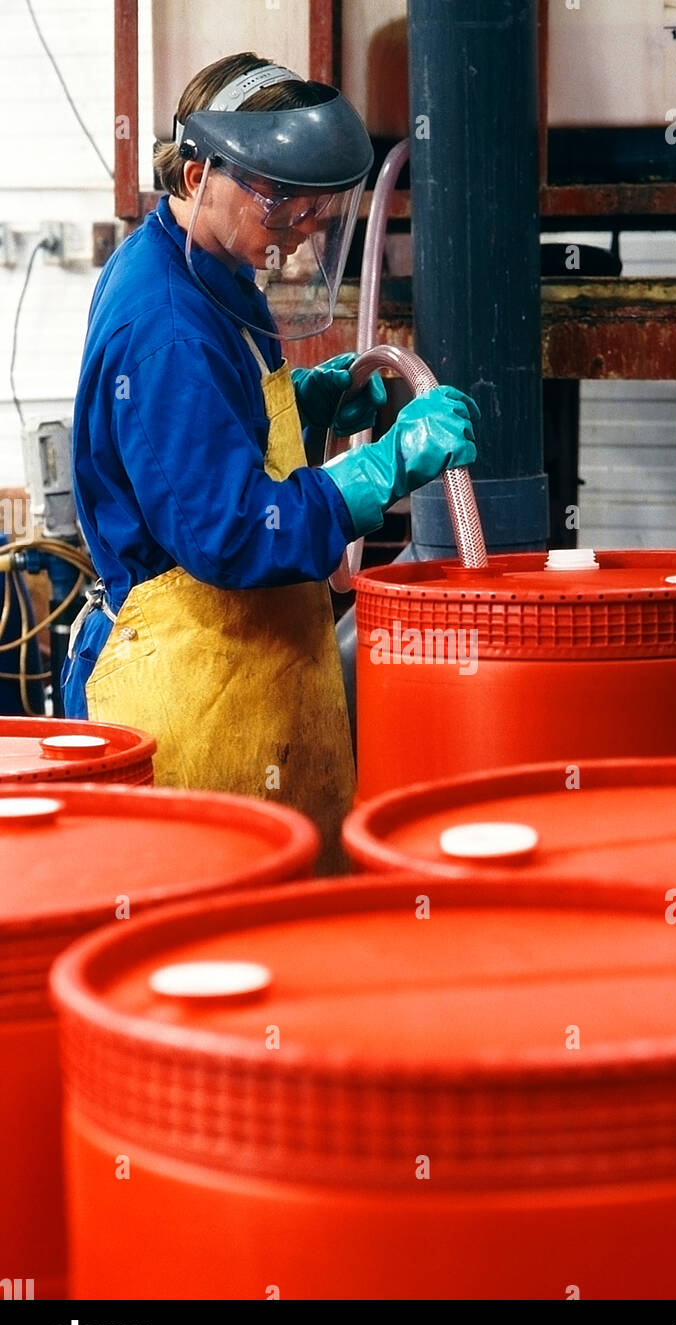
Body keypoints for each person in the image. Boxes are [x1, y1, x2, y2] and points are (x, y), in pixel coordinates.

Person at [62, 53, 479, 870]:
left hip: (246, 683)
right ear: (196, 174)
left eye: (317, 207)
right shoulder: (169, 327)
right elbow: (228, 533)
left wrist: (315, 402)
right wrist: (380, 471)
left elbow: (216, 434)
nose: (302, 228)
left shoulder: (210, 269)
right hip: (189, 704)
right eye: (281, 200)